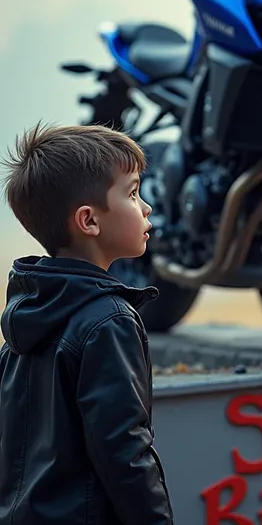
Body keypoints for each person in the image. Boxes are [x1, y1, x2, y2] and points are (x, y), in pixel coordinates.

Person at [0, 122, 174, 525]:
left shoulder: (25, 318)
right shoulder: (109, 321)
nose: (146, 207)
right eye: (132, 193)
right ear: (89, 221)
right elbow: (125, 451)